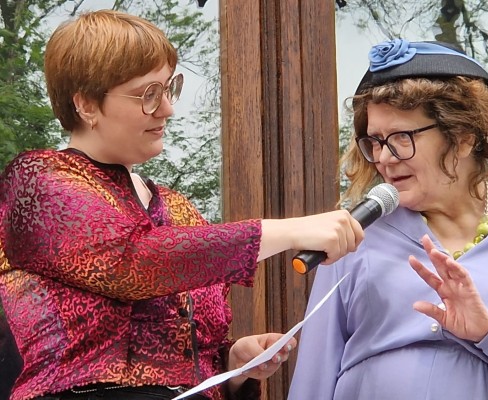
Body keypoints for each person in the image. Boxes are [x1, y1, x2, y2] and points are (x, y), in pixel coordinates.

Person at [0, 10, 364, 400]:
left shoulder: (177, 207)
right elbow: (135, 264)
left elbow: (195, 340)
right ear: (86, 105)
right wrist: (290, 230)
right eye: (148, 95)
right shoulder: (37, 181)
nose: (168, 109)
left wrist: (232, 366)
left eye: (169, 88)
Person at [288, 38, 488, 400]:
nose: (384, 158)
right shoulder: (353, 237)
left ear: (463, 137)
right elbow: (314, 377)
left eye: (402, 137)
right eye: (374, 141)